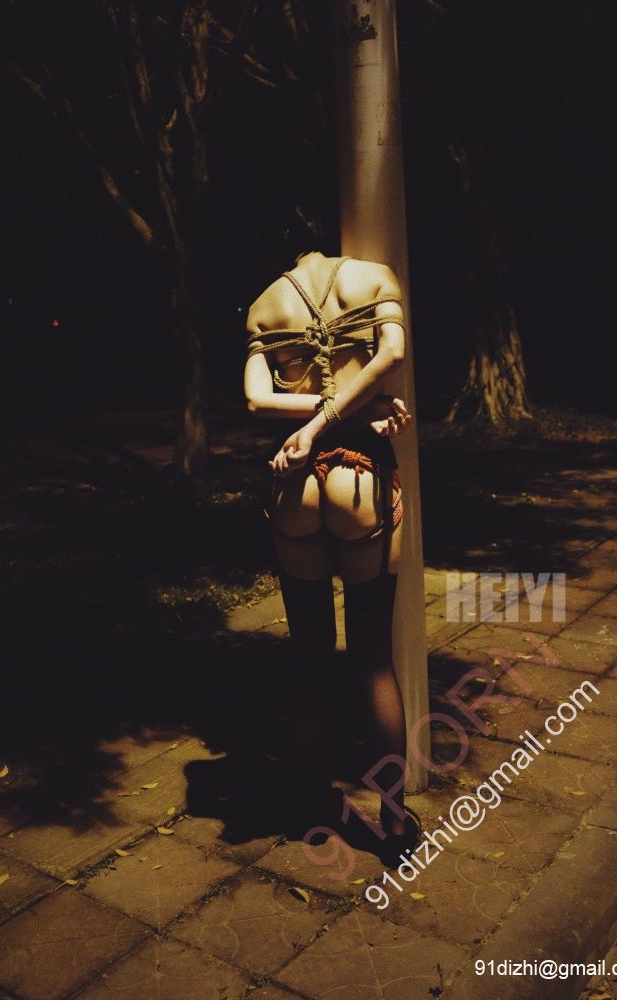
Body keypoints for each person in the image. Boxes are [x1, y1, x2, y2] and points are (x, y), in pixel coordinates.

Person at [244, 248, 420, 865]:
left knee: (311, 658)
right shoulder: (372, 278)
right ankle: (393, 823)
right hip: (359, 478)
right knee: (372, 659)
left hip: (292, 486)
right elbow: (392, 354)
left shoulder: (266, 304)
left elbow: (257, 400)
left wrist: (310, 423)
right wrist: (357, 410)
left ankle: (313, 809)